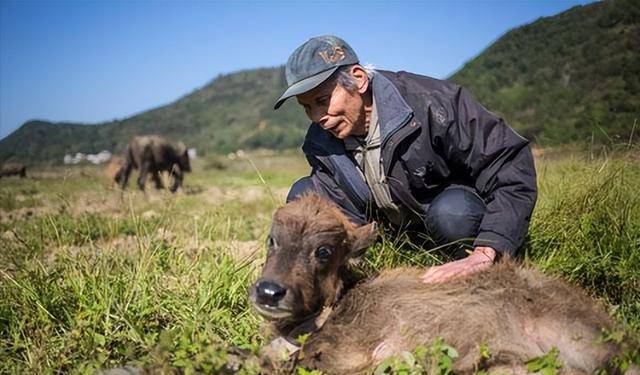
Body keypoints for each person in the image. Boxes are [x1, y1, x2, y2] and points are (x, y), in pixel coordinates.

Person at [274, 35, 537, 283]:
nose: (318, 116)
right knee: (304, 194)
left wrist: (488, 249)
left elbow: (510, 164)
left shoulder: (434, 105)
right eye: (306, 107)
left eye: (322, 100)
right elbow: (337, 205)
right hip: (390, 233)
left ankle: (474, 271)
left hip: (449, 222)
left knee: (451, 213)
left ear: (358, 79)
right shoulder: (320, 139)